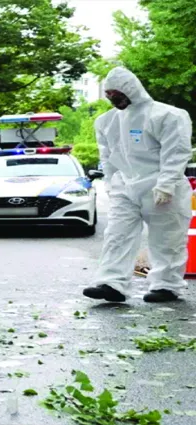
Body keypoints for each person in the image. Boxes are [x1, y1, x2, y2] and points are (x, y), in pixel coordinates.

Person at [83, 67, 193, 304]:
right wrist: (112, 183)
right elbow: (108, 155)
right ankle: (111, 283)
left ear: (131, 89)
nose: (112, 98)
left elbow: (176, 152)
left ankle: (166, 286)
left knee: (166, 239)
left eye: (116, 92)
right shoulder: (106, 121)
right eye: (109, 93)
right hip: (126, 186)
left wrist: (166, 184)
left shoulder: (167, 115)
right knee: (117, 235)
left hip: (161, 185)